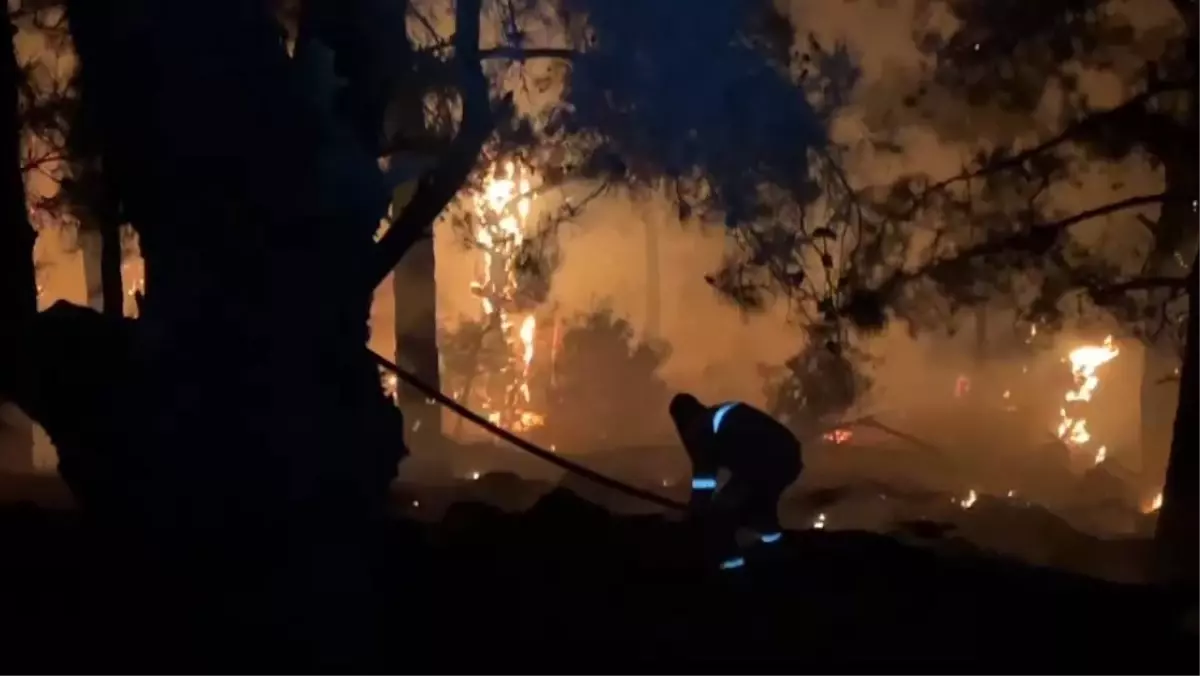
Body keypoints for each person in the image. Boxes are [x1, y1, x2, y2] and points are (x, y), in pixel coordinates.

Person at [668, 393, 803, 571]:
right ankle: (777, 554)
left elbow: (704, 477)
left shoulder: (700, 427)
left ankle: (733, 568)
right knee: (758, 510)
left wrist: (697, 509)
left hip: (762, 465)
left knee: (719, 515)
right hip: (786, 458)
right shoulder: (717, 416)